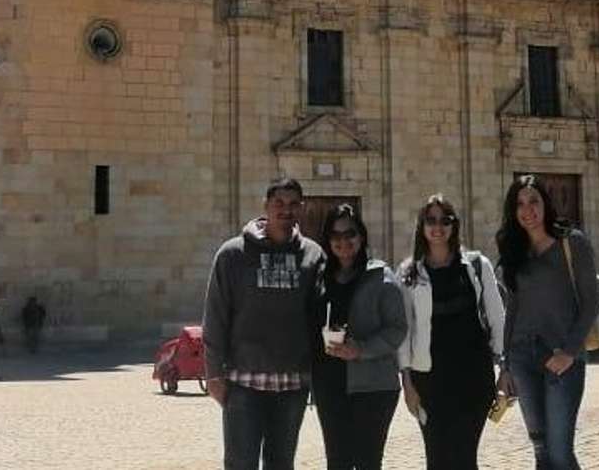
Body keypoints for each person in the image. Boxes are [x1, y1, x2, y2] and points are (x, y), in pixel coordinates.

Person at [203, 175, 327, 470]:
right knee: (240, 463)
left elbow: (322, 315)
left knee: (282, 463)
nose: (286, 210)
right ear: (265, 206)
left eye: (294, 204)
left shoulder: (313, 255)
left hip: (293, 384)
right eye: (279, 203)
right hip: (244, 384)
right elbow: (216, 315)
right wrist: (213, 374)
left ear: (302, 208)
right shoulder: (233, 254)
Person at [496, 175, 599, 470]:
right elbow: (512, 310)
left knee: (560, 452)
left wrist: (569, 351)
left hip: (562, 359)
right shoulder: (515, 253)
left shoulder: (572, 243)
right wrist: (505, 365)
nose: (527, 210)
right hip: (522, 358)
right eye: (520, 204)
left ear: (546, 204)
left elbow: (591, 302)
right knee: (541, 451)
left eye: (534, 201)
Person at [398, 194, 508, 470]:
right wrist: (407, 384)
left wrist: (505, 371)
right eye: (431, 220)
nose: (438, 227)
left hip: (473, 379)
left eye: (444, 220)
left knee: (464, 457)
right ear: (422, 226)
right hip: (429, 382)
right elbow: (405, 333)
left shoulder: (476, 265)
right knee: (436, 458)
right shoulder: (410, 272)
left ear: (454, 225)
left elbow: (497, 319)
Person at [311, 204, 408, 470]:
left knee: (368, 461)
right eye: (335, 235)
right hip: (330, 384)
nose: (343, 241)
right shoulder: (320, 278)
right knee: (337, 462)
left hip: (373, 387)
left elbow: (398, 328)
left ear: (361, 236)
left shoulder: (381, 277)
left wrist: (361, 350)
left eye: (350, 233)